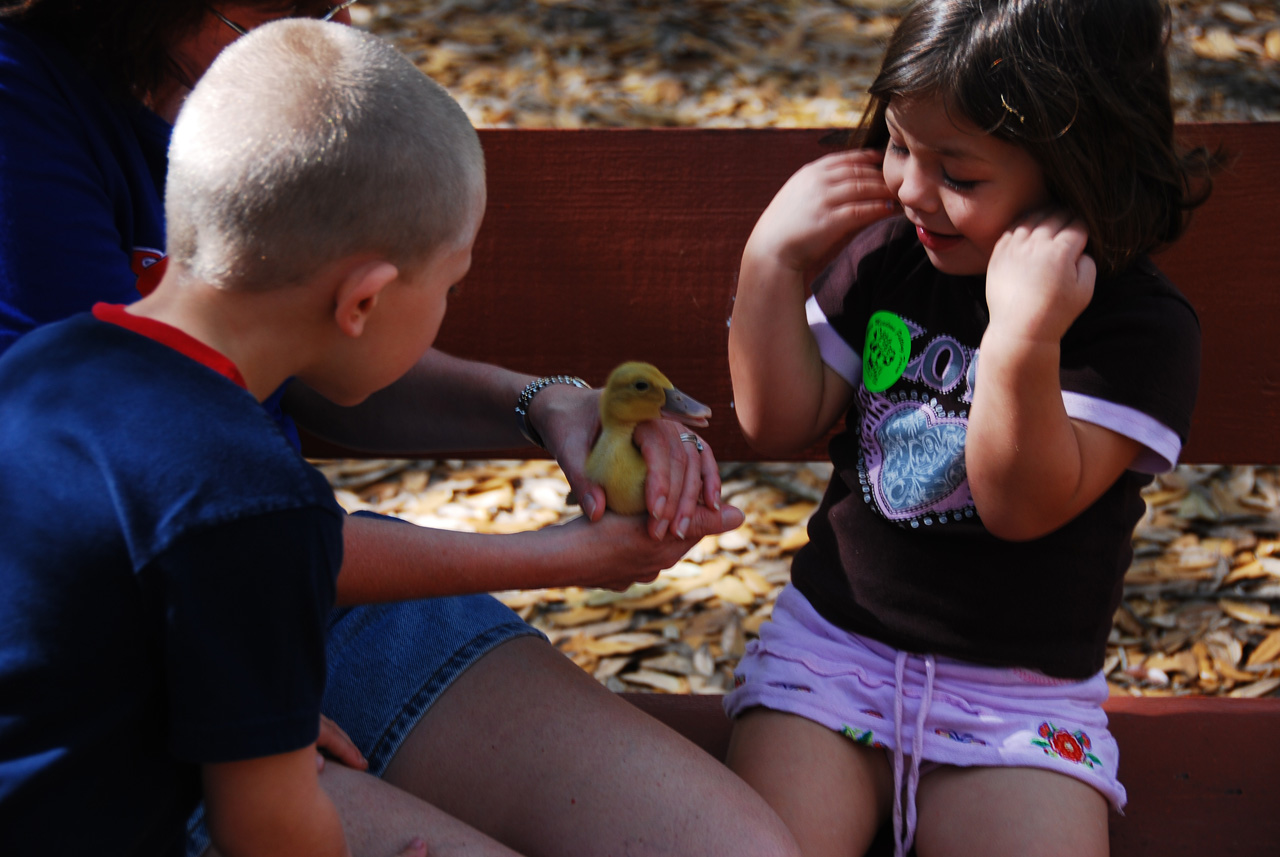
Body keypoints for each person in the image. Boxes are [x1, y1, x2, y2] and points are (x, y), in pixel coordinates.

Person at [0, 5, 801, 857]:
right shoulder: (249, 501)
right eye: (450, 285)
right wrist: (568, 554)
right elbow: (266, 823)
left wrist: (540, 400)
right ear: (363, 300)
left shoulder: (50, 365)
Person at [723, 2, 1212, 856]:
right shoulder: (891, 252)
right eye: (901, 145)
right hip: (830, 661)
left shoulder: (1134, 325)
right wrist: (770, 263)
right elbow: (777, 417)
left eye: (960, 171)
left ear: (1075, 167)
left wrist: (1023, 336)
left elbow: (1018, 504)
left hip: (1020, 704)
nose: (910, 186)